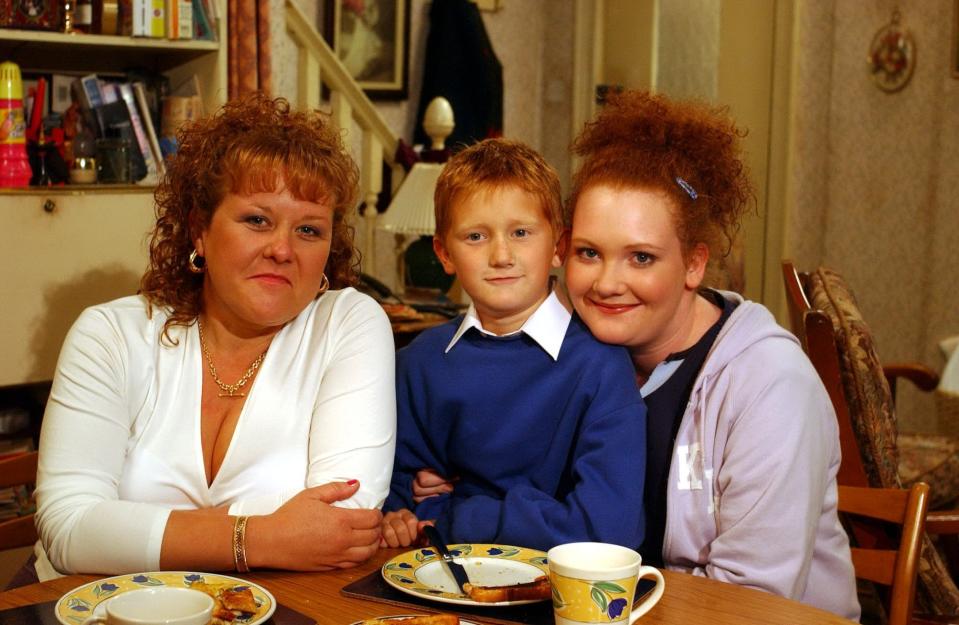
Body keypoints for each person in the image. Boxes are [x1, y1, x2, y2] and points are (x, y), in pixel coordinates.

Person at [31, 94, 396, 581]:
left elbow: (341, 528)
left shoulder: (349, 324)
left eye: (309, 230)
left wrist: (131, 532)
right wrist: (263, 537)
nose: (282, 249)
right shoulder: (109, 336)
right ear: (199, 231)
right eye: (257, 220)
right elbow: (69, 531)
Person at [562, 90, 860, 620]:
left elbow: (752, 598)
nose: (607, 283)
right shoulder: (576, 357)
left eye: (641, 257)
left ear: (694, 265)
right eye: (589, 252)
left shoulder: (770, 384)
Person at [380, 138, 646, 551]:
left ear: (559, 246)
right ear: (443, 253)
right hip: (439, 581)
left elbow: (603, 531)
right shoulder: (419, 363)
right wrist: (398, 517)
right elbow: (397, 500)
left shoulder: (600, 366)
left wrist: (458, 512)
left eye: (521, 232)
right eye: (475, 237)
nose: (501, 255)